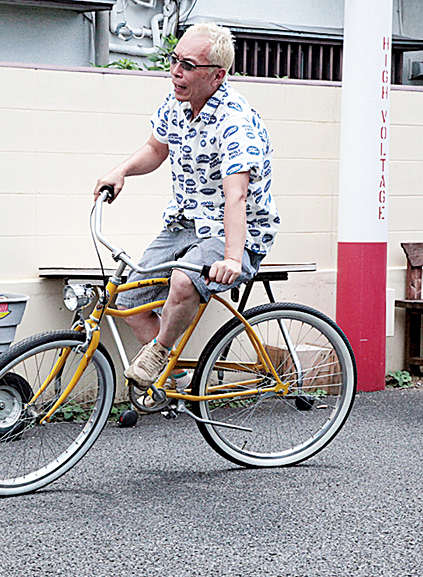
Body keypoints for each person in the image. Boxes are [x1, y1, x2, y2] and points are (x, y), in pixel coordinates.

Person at [93, 22, 280, 391]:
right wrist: (122, 171)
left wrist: (231, 257)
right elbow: (156, 149)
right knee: (129, 298)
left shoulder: (235, 123)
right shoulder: (176, 104)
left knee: (182, 280)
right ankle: (171, 380)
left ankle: (159, 353)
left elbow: (236, 197)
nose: (176, 72)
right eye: (174, 60)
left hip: (233, 232)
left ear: (217, 76)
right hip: (183, 224)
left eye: (189, 65)